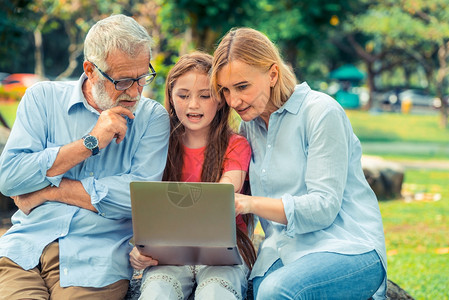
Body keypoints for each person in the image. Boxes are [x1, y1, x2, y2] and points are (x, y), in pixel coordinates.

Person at [0, 14, 170, 299]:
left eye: (143, 77)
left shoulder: (152, 118)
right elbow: (9, 178)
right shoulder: (42, 99)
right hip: (23, 253)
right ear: (90, 70)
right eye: (124, 81)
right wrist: (89, 143)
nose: (135, 91)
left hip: (95, 264)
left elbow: (140, 200)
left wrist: (48, 191)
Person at [211, 27, 387, 300]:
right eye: (225, 90)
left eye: (242, 86)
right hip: (281, 252)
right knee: (265, 290)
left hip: (346, 246)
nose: (233, 101)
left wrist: (248, 202)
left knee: (275, 291)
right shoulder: (248, 130)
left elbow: (323, 206)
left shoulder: (320, 112)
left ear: (272, 74)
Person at [129, 52, 256, 300]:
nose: (193, 104)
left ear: (220, 100)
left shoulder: (235, 145)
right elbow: (145, 206)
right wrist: (138, 249)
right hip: (169, 251)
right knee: (156, 291)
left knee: (216, 292)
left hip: (223, 253)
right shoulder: (159, 144)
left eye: (205, 96)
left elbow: (223, 197)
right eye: (183, 95)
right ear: (171, 98)